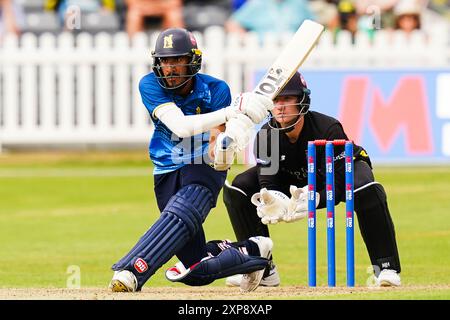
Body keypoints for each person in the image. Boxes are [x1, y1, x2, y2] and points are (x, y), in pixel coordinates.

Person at [109, 27, 275, 293]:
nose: (170, 68)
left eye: (177, 60)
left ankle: (132, 270)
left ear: (192, 60)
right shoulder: (149, 84)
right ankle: (252, 250)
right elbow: (180, 126)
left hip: (202, 168)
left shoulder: (215, 89)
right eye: (165, 61)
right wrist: (232, 111)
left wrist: (228, 142)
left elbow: (215, 150)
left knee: (182, 212)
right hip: (165, 170)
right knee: (196, 270)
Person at [221, 71, 402, 288]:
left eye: (287, 99)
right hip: (292, 176)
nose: (280, 106)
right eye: (275, 100)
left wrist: (317, 199)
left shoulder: (327, 129)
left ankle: (386, 267)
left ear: (302, 101)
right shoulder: (267, 136)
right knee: (238, 188)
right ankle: (262, 269)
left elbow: (338, 182)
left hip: (340, 172)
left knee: (365, 188)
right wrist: (273, 201)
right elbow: (269, 183)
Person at [225, 0, 315, 39]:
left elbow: (314, 25)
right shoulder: (257, 3)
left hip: (293, 52)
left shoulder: (299, 3)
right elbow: (232, 24)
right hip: (262, 53)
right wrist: (246, 39)